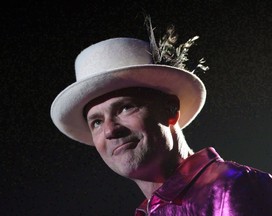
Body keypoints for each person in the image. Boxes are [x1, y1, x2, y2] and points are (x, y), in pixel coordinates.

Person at [50, 18, 272, 215]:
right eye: (96, 122)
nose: (110, 130)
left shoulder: (231, 187)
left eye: (126, 107)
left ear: (170, 109)